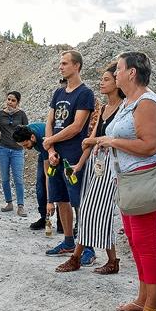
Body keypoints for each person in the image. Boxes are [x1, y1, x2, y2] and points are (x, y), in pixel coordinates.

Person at [99, 51, 156, 311]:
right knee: (135, 241)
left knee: (147, 245)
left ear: (131, 73)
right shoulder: (130, 101)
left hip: (143, 178)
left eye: (118, 68)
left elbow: (150, 145)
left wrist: (113, 141)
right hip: (127, 178)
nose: (115, 73)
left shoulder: (147, 102)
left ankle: (152, 310)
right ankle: (143, 299)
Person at [56, 62, 124, 273]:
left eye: (106, 79)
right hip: (96, 164)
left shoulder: (125, 108)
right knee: (93, 211)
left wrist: (92, 143)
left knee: (90, 210)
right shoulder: (103, 108)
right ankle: (112, 260)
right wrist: (79, 164)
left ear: (117, 83)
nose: (101, 83)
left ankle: (77, 256)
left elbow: (105, 140)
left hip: (111, 166)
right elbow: (91, 139)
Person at [42, 50, 96, 257]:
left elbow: (77, 126)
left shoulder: (85, 93)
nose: (61, 67)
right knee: (60, 199)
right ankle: (68, 241)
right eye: (60, 63)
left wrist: (51, 141)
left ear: (77, 66)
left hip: (73, 155)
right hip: (56, 155)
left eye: (65, 63)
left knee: (78, 201)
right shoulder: (58, 93)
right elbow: (50, 121)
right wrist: (51, 148)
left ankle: (87, 245)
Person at [0, 91, 30, 216]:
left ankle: (20, 206)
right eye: (8, 99)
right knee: (5, 178)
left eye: (13, 100)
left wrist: (23, 144)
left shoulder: (21, 114)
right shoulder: (0, 114)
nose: (10, 102)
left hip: (17, 151)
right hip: (2, 150)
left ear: (18, 102)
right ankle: (9, 203)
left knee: (18, 179)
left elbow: (27, 130)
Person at [12, 121, 62, 232]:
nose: (25, 148)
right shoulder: (26, 131)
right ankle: (44, 217)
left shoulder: (42, 140)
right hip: (44, 154)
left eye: (26, 145)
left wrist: (50, 201)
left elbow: (48, 175)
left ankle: (61, 222)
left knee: (58, 184)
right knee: (40, 186)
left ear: (32, 137)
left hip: (56, 152)